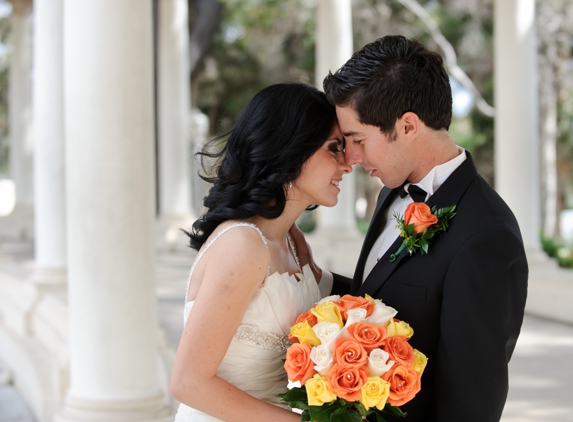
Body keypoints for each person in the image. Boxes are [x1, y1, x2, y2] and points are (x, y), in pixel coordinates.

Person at [291, 35, 528, 421]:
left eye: (358, 139)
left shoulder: (487, 236)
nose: (351, 158)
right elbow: (389, 297)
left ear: (407, 126)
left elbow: (471, 404)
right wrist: (314, 277)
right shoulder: (390, 191)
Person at [170, 83, 352, 422]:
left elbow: (354, 299)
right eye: (334, 148)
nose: (347, 165)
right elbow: (188, 382)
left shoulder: (289, 244)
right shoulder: (243, 246)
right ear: (292, 149)